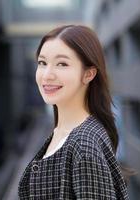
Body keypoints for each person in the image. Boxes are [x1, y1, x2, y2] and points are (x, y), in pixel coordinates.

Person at [18, 25, 130, 199]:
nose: (47, 75)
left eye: (62, 64)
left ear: (88, 74)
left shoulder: (85, 146)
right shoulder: (63, 131)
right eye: (42, 63)